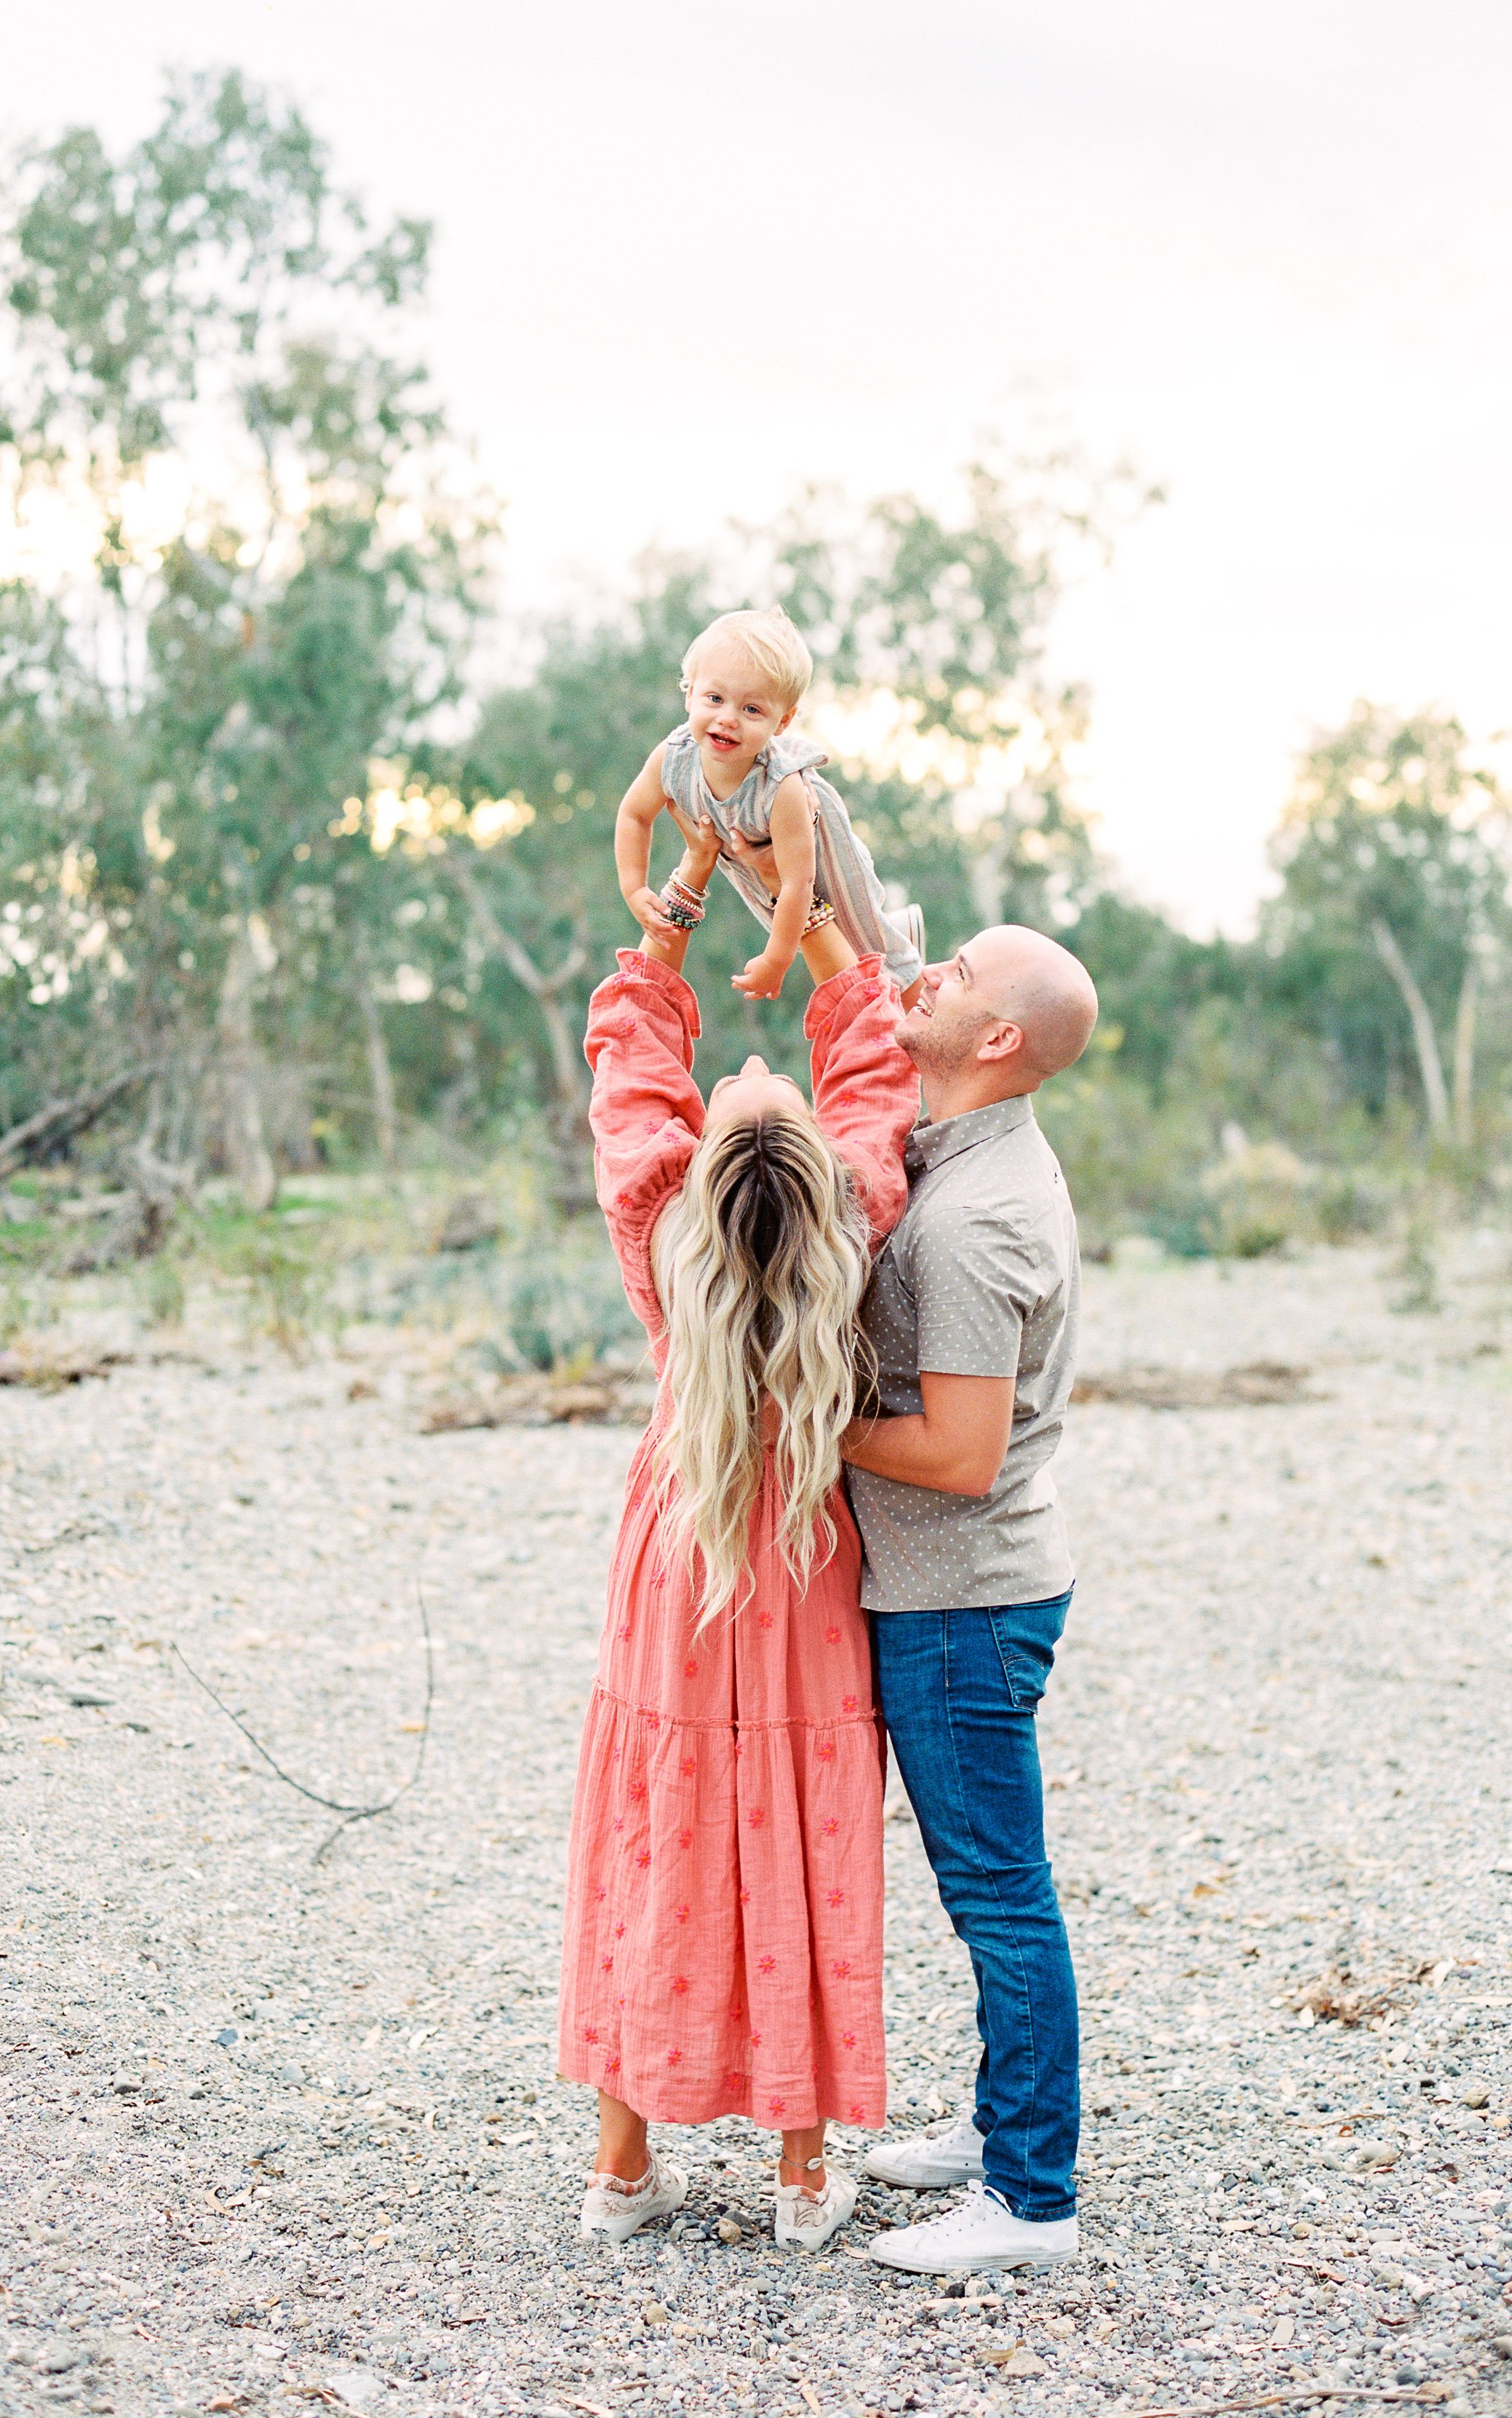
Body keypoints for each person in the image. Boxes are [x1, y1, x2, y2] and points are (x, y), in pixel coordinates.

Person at [557, 822, 920, 2252]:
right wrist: (816, 918)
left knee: (657, 1830)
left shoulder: (663, 1228)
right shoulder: (854, 1223)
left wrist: (674, 918)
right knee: (800, 1831)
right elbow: (875, 1070)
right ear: (816, 1180)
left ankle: (621, 2166)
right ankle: (795, 2172)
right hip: (798, 1544)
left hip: (680, 1539)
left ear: (709, 1173)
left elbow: (630, 1073)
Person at [840, 926, 1101, 2276]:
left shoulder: (975, 1217)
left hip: (961, 1601)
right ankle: (1005, 2123)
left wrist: (805, 1420)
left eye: (956, 979)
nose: (926, 980)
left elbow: (957, 1453)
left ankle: (1030, 2195)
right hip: (971, 1588)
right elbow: (888, 975)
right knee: (985, 1885)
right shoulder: (970, 1152)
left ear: (996, 1040)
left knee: (1000, 1893)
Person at [610, 605, 925, 1004]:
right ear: (690, 694)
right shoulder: (673, 756)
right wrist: (634, 889)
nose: (728, 719)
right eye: (715, 697)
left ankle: (918, 995)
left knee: (866, 948)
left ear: (782, 722)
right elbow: (634, 815)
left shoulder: (782, 787)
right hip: (756, 870)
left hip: (819, 863)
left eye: (752, 709)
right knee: (806, 940)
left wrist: (776, 961)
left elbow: (797, 882)